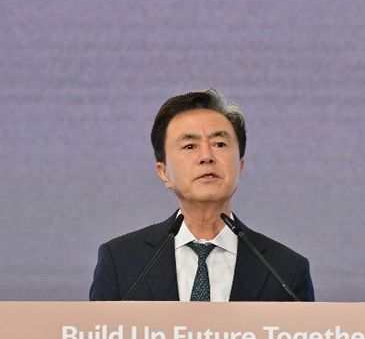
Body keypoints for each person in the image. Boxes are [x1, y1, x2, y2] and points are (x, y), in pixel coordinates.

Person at [89, 89, 314, 302]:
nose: (207, 156)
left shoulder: (286, 270)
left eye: (219, 144)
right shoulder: (120, 261)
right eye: (190, 146)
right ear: (164, 172)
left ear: (240, 166)